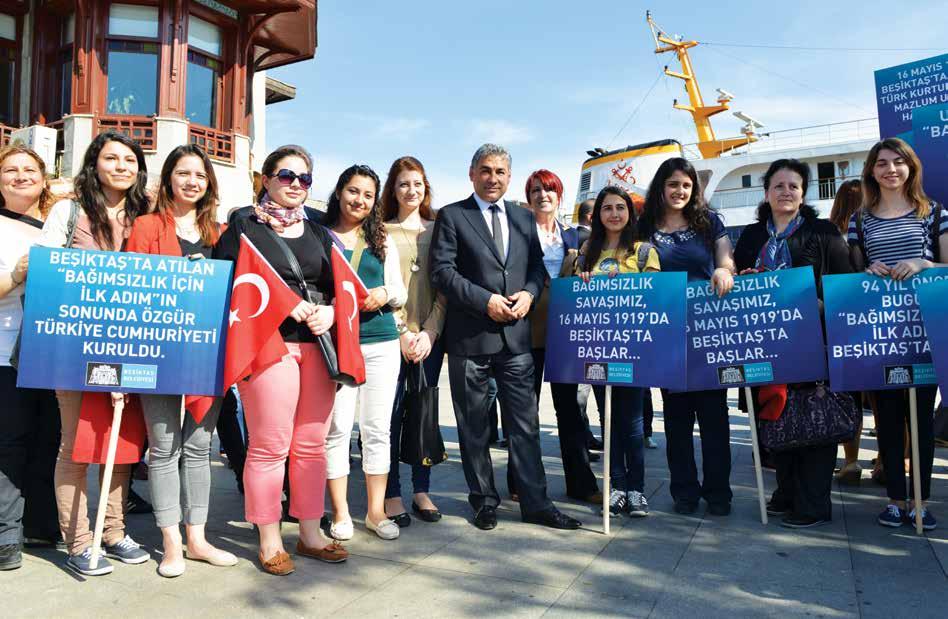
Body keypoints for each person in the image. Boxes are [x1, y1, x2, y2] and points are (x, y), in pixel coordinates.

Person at [429, 143, 580, 531]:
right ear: (471, 173)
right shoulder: (452, 216)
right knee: (475, 427)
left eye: (499, 171)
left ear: (509, 177)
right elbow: (443, 272)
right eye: (485, 170)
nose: (492, 177)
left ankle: (536, 502)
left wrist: (530, 293)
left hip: (517, 340)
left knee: (526, 426)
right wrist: (485, 301)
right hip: (470, 340)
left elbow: (535, 267)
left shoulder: (522, 217)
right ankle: (484, 501)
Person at [214, 145, 346, 575]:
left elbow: (340, 286)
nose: (295, 185)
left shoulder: (320, 232)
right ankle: (270, 538)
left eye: (304, 178)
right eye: (286, 175)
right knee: (270, 446)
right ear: (266, 179)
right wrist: (279, 304)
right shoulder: (243, 227)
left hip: (317, 347)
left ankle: (309, 533)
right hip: (268, 345)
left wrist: (330, 311)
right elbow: (228, 284)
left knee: (310, 446)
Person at [37, 131, 152, 575]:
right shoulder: (69, 212)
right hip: (74, 345)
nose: (122, 166)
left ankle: (114, 531)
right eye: (112, 158)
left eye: (130, 159)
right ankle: (78, 541)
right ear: (95, 163)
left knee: (120, 443)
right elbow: (47, 270)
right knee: (76, 446)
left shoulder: (145, 215)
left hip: (133, 344)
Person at [124, 144, 237, 577]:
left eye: (200, 175)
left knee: (198, 448)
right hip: (159, 353)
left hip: (208, 355)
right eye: (184, 173)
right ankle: (171, 542)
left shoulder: (221, 231)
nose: (192, 181)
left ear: (209, 184)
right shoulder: (147, 226)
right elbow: (133, 290)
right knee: (164, 448)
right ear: (168, 177)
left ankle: (198, 538)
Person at [734, 158, 852, 528]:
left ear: (803, 193)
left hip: (813, 339)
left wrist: (816, 303)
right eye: (779, 185)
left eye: (794, 186)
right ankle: (786, 493)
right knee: (776, 414)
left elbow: (844, 283)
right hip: (766, 342)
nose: (786, 192)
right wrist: (747, 279)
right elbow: (737, 281)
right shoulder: (752, 236)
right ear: (766, 192)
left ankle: (813, 503)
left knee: (814, 419)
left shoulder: (823, 231)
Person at [847, 138, 947, 530]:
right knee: (886, 416)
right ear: (871, 170)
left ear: (911, 167)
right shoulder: (860, 219)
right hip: (878, 332)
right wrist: (866, 270)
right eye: (882, 163)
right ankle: (894, 500)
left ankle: (921, 501)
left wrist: (923, 262)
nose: (890, 169)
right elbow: (852, 274)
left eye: (898, 162)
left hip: (923, 330)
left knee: (920, 416)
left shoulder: (934, 212)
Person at [639, 157, 736, 516]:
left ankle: (719, 493)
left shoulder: (708, 222)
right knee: (677, 419)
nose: (679, 191)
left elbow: (725, 259)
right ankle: (684, 491)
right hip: (668, 336)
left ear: (693, 189)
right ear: (661, 188)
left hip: (709, 331)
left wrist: (725, 271)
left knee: (714, 417)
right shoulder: (645, 226)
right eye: (672, 185)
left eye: (686, 185)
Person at [324, 165, 407, 541]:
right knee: (337, 428)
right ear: (340, 191)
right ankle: (340, 512)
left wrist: (384, 295)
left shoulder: (381, 238)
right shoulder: (319, 235)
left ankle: (375, 512)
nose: (359, 200)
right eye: (353, 191)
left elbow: (400, 290)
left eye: (368, 195)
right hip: (339, 343)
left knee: (377, 429)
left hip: (381, 341)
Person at [577, 185, 661, 517]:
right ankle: (616, 487)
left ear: (630, 213)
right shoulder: (587, 250)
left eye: (620, 208)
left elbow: (655, 294)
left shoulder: (644, 252)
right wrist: (581, 276)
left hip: (634, 349)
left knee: (633, 422)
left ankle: (637, 490)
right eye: (607, 208)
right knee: (608, 418)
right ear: (598, 215)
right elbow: (577, 296)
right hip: (599, 347)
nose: (614, 213)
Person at [0, 145, 60, 571]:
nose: (20, 176)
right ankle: (5, 535)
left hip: (57, 351)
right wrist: (19, 274)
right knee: (10, 443)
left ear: (44, 177)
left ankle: (42, 525)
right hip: (6, 351)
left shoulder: (62, 224)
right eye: (10, 170)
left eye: (28, 170)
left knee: (50, 442)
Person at [525, 169, 600, 504]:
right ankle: (521, 481)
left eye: (550, 189)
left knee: (571, 413)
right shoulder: (517, 233)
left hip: (566, 335)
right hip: (525, 332)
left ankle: (582, 484)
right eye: (537, 190)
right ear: (529, 197)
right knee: (524, 413)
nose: (544, 195)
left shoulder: (575, 236)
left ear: (560, 195)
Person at [380, 157, 445, 526]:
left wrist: (431, 332)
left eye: (418, 183)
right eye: (404, 183)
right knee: (389, 417)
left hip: (430, 340)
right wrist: (402, 331)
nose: (411, 190)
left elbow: (444, 289)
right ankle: (391, 492)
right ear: (394, 188)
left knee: (424, 415)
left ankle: (422, 489)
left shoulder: (439, 229)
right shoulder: (381, 230)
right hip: (392, 336)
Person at [826, 178, 870, 485]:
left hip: (840, 324)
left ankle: (851, 460)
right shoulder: (869, 231)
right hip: (875, 322)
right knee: (887, 398)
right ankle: (892, 462)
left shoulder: (830, 235)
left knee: (847, 394)